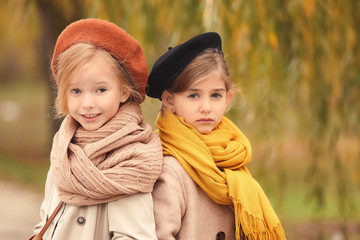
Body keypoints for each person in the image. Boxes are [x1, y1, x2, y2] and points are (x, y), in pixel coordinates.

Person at [146, 32, 286, 240]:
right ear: (169, 100)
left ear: (228, 98)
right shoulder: (170, 169)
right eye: (193, 95)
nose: (206, 107)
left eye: (216, 95)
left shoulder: (230, 155)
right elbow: (160, 235)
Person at [32, 18, 163, 240]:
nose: (87, 103)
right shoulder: (64, 147)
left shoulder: (131, 158)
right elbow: (46, 222)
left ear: (123, 92)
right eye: (76, 91)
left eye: (100, 90)